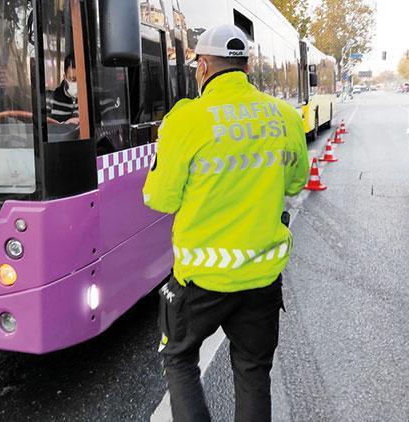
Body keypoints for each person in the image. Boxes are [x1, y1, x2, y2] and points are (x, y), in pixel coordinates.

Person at [143, 24, 309, 422]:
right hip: (262, 276)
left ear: (202, 67)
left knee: (180, 358)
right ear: (247, 65)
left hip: (201, 280)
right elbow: (297, 180)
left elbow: (160, 199)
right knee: (253, 372)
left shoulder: (185, 121)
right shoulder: (284, 116)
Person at [47, 54, 80, 124]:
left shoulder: (97, 100)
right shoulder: (50, 99)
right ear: (65, 77)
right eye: (73, 79)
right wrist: (65, 125)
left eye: (81, 79)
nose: (77, 84)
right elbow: (44, 128)